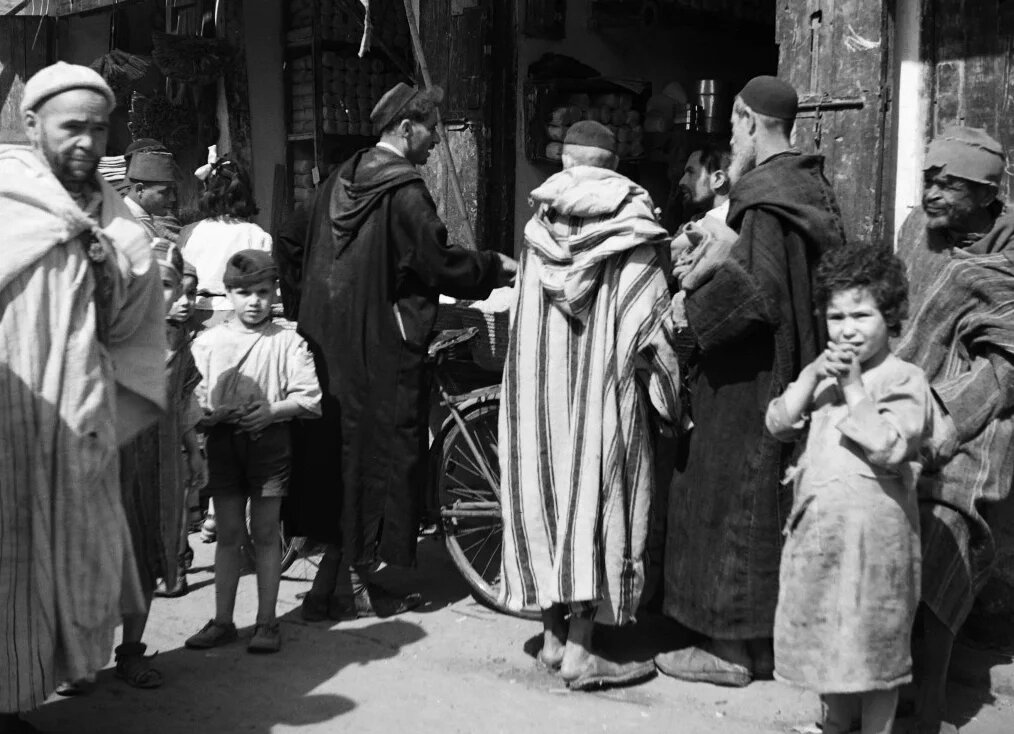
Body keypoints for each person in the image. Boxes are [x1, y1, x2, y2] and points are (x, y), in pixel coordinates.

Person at [294, 82, 517, 618]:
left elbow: (289, 240)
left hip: (326, 346)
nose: (437, 141)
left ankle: (329, 588)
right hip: (380, 351)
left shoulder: (336, 181)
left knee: (340, 456)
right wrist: (492, 265)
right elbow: (437, 264)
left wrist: (309, 309)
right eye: (433, 129)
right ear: (405, 129)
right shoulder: (404, 192)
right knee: (381, 457)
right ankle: (360, 580)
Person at [655, 75, 846, 687]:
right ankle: (758, 646)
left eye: (733, 125)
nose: (730, 138)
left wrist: (689, 317)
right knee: (762, 503)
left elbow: (757, 290)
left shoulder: (764, 195)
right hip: (788, 367)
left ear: (745, 119)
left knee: (728, 499)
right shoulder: (808, 185)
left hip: (752, 376)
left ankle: (728, 652)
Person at [0, 61, 166, 733]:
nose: (88, 143)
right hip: (6, 416)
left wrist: (109, 265)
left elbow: (136, 334)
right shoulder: (5, 204)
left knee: (50, 568)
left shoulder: (125, 229)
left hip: (75, 425)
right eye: (72, 127)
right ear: (33, 125)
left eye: (99, 129)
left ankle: (16, 697)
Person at [498, 121, 682, 690]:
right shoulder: (636, 234)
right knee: (595, 502)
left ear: (566, 163)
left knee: (547, 494)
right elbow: (650, 329)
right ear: (614, 164)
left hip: (538, 399)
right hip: (603, 396)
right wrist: (672, 401)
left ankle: (552, 638)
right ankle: (581, 649)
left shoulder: (535, 230)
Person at [766, 244, 934, 734]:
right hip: (820, 532)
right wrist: (812, 374)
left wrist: (856, 389)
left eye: (862, 315)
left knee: (874, 641)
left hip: (877, 545)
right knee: (826, 633)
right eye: (836, 316)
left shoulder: (905, 379)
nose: (847, 329)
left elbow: (888, 444)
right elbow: (778, 423)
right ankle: (834, 725)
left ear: (892, 315)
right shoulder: (823, 378)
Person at [892, 126, 1014, 734]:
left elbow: (1008, 364)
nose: (932, 192)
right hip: (901, 391)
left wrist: (942, 415)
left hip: (980, 409)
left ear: (987, 194)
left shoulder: (1010, 249)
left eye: (949, 184)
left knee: (946, 519)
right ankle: (872, 685)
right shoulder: (918, 229)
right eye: (929, 180)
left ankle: (932, 694)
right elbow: (896, 309)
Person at [185, 250, 321, 654]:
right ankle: (223, 621)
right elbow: (193, 401)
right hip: (225, 446)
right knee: (228, 535)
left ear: (274, 292)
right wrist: (212, 415)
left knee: (265, 534)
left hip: (271, 447)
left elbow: (310, 399)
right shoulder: (209, 343)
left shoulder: (288, 342)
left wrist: (272, 411)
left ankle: (267, 622)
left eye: (262, 291)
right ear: (228, 294)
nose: (254, 301)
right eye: (244, 292)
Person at [114, 239, 207, 687]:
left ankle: (130, 651)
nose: (161, 292)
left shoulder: (179, 345)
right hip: (111, 467)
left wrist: (193, 451)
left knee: (148, 557)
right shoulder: (110, 337)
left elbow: (183, 406)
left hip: (162, 468)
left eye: (168, 284)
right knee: (103, 559)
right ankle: (76, 657)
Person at [178, 157, 272, 332]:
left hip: (194, 314)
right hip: (238, 316)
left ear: (208, 190)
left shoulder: (189, 232)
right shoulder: (256, 235)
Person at [123, 150, 179, 240]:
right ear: (140, 189)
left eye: (173, 191)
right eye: (165, 192)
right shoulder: (130, 223)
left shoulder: (140, 217)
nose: (172, 198)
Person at [678, 143, 732, 224]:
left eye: (691, 172)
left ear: (718, 179)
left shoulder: (728, 224)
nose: (681, 182)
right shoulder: (697, 220)